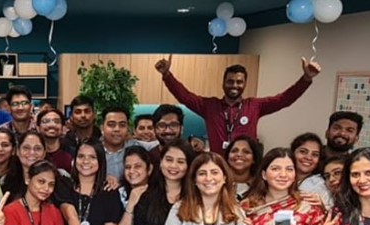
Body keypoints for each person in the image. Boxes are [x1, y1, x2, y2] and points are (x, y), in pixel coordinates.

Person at [157, 57, 320, 152]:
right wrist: (167, 75)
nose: (234, 85)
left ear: (245, 84)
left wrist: (305, 79)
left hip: (247, 168)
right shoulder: (209, 106)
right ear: (223, 83)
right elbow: (184, 96)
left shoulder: (255, 106)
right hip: (218, 168)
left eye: (239, 82)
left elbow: (284, 99)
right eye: (230, 81)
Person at [290, 131, 333, 206]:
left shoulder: (320, 186)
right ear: (292, 153)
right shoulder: (281, 178)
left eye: (315, 154)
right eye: (303, 151)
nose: (308, 157)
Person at [35, 107, 74, 175]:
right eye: (46, 121)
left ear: (63, 128)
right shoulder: (32, 154)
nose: (51, 125)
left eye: (56, 121)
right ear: (38, 128)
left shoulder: (72, 154)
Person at [97, 106, 131, 184]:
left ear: (128, 128)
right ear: (102, 128)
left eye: (122, 125)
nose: (117, 129)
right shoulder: (93, 151)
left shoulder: (136, 148)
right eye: (111, 125)